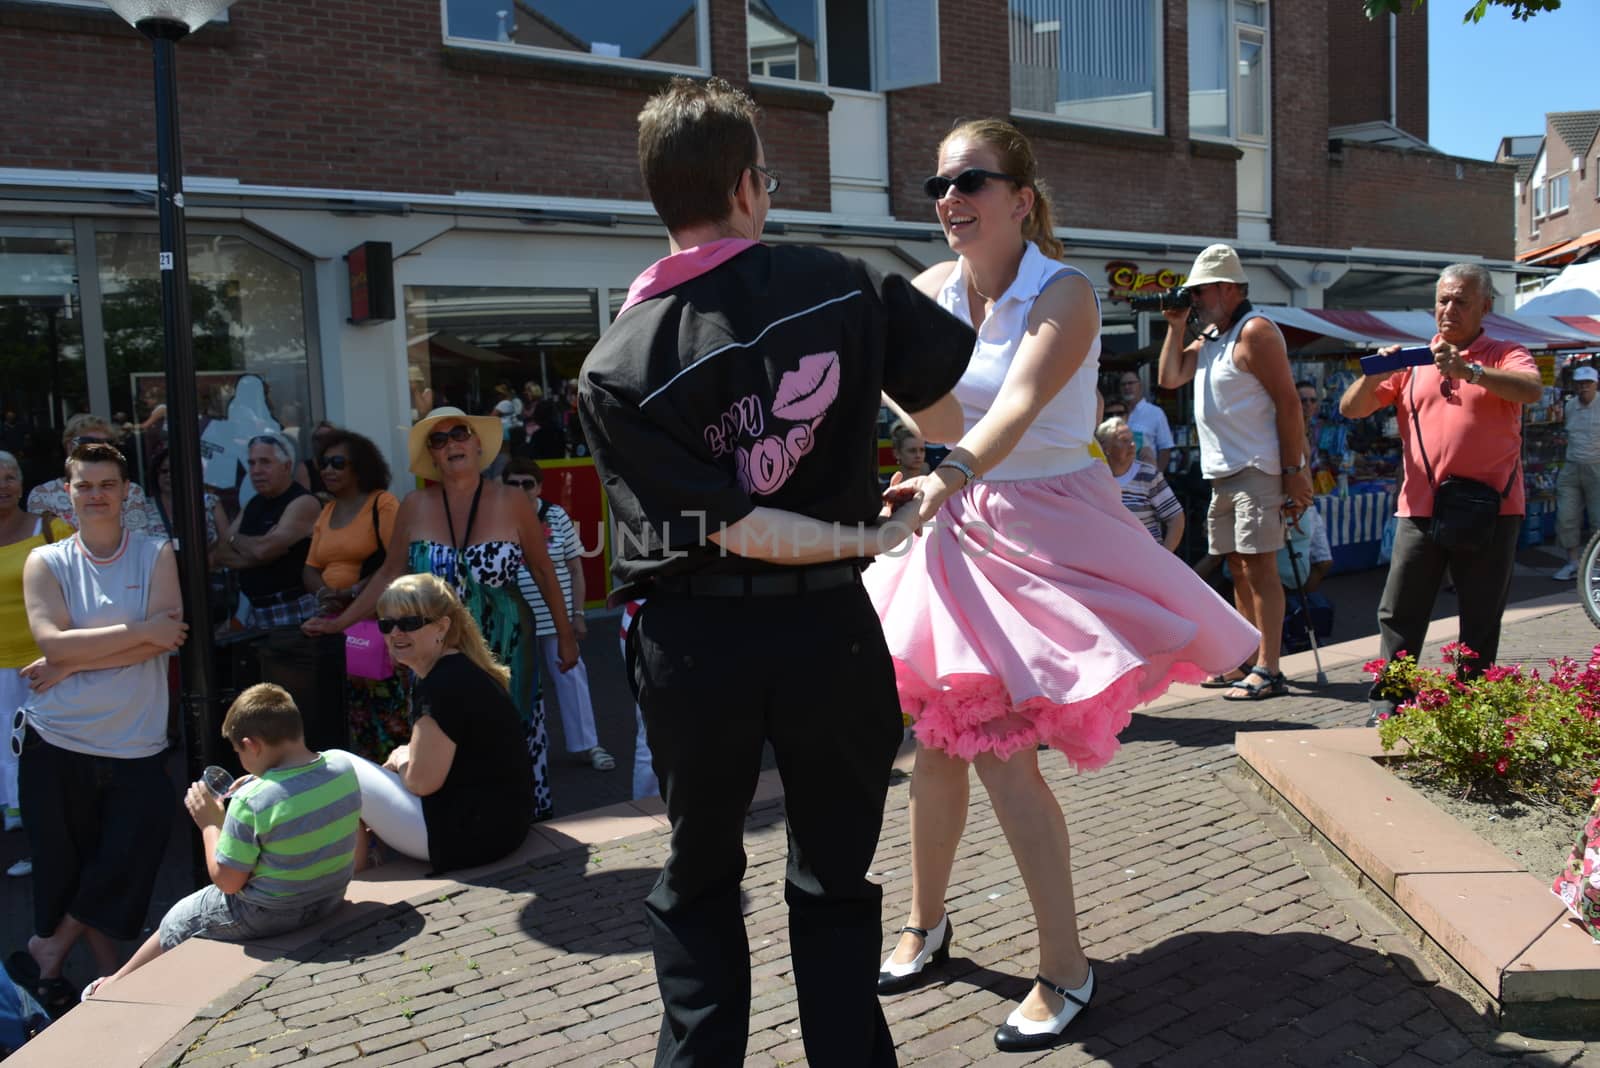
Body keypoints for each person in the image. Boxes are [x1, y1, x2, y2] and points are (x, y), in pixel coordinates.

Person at [578, 76, 974, 1068]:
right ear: (752, 187)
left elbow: (732, 527)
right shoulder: (843, 279)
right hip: (827, 632)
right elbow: (939, 404)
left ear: (659, 199)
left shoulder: (617, 362)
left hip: (694, 644)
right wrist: (922, 492)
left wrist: (882, 514)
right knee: (834, 875)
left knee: (700, 873)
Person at [867, 119, 1258, 1053]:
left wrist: (946, 470)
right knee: (939, 748)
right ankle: (926, 921)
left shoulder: (1066, 289)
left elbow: (1015, 405)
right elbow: (905, 406)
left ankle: (1067, 966)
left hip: (1045, 530)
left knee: (1002, 751)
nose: (950, 200)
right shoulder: (925, 294)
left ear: (1021, 199)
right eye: (938, 186)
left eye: (971, 181)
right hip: (952, 530)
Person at [306, 407, 576, 823]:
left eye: (460, 433)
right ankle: (458, 821)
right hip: (435, 644)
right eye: (439, 439)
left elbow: (543, 570)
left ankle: (522, 818)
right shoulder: (414, 505)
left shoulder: (514, 500)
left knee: (512, 727)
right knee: (441, 728)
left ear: (478, 444)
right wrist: (341, 622)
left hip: (505, 640)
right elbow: (388, 575)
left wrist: (566, 633)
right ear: (432, 455)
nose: (452, 443)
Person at [12, 442, 185, 1018]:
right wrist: (135, 635)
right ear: (68, 493)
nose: (95, 495)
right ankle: (104, 975)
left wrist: (72, 661)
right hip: (57, 738)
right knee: (70, 866)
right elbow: (54, 642)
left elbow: (167, 635)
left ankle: (48, 950)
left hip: (136, 741)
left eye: (106, 484)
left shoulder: (157, 552)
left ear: (126, 491)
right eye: (84, 485)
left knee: (127, 857)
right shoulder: (47, 561)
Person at [1340, 263, 1541, 725]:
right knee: (1400, 612)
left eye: (1461, 301)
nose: (1449, 309)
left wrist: (1471, 370)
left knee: (1481, 615)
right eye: (1443, 300)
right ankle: (1389, 703)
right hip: (1421, 509)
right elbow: (1351, 409)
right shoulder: (1413, 360)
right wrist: (1374, 375)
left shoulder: (1505, 351)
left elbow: (1531, 389)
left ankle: (1473, 704)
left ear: (1486, 306)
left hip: (1491, 510)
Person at [83, 684, 359, 998]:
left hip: (272, 913)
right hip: (330, 895)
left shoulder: (251, 801)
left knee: (179, 917)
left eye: (238, 751)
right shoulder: (341, 765)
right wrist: (262, 781)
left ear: (251, 745)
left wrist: (210, 825)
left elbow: (227, 882)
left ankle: (115, 984)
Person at [1157, 243, 1312, 701]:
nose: (1195, 299)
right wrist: (1174, 325)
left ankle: (1269, 667)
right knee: (1238, 567)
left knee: (1260, 567)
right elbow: (1169, 377)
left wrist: (1294, 470)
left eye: (1200, 291)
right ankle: (1246, 660)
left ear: (1227, 288)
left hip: (1257, 468)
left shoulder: (1255, 332)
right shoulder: (1211, 336)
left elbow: (1288, 404)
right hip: (1223, 471)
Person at [338, 574, 536, 873]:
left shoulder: (442, 684)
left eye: (409, 623)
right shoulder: (457, 668)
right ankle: (363, 866)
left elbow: (421, 782)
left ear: (442, 627)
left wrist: (402, 756)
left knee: (339, 766)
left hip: (469, 836)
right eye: (386, 624)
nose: (395, 633)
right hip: (500, 826)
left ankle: (357, 874)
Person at [213, 434, 340, 750]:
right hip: (262, 620)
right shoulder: (254, 503)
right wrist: (249, 545)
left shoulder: (302, 502)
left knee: (299, 712)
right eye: (252, 463)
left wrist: (241, 542)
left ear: (286, 465)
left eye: (265, 462)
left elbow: (264, 550)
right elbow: (218, 555)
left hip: (296, 621)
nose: (256, 470)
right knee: (274, 711)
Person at [300, 429, 405, 762]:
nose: (328, 470)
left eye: (337, 463)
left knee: (385, 722)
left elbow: (396, 563)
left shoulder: (382, 504)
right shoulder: (326, 511)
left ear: (359, 466)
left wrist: (352, 592)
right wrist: (326, 593)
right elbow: (310, 567)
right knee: (343, 719)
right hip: (335, 625)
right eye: (323, 463)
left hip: (375, 623)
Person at [504, 459, 612, 771]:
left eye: (528, 483)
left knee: (572, 679)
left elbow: (575, 569)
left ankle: (589, 745)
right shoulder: (495, 520)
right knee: (517, 686)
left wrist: (578, 614)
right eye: (514, 483)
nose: (521, 490)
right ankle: (523, 750)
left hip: (557, 618)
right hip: (516, 622)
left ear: (538, 487)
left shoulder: (555, 515)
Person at [0, 453, 72, 857]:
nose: (4, 484)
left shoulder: (49, 528)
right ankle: (24, 826)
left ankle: (46, 833)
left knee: (42, 745)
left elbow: (79, 583)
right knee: (4, 745)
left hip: (45, 658)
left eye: (11, 476)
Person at [25, 415, 163, 535]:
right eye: (88, 443)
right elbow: (45, 546)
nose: (98, 451)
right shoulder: (42, 495)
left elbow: (137, 543)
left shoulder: (130, 491)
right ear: (69, 447)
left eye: (108, 445)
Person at [1095, 417, 1185, 554]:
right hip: (1107, 559)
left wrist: (1166, 556)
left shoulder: (1148, 475)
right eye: (1124, 441)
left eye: (1132, 440)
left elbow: (1176, 517)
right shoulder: (1094, 477)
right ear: (1105, 448)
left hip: (1146, 558)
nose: (1132, 445)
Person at [1554, 365, 1600, 581]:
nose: (1584, 388)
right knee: (1566, 516)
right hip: (1572, 466)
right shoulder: (1570, 406)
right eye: (1580, 384)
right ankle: (1572, 562)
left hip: (1597, 466)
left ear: (1595, 384)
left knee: (1598, 520)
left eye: (1587, 384)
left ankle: (1596, 565)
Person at [147, 447, 229, 565]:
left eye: (175, 470)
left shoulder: (210, 502)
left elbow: (226, 543)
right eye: (164, 471)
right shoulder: (143, 507)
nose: (169, 475)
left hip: (204, 575)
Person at [1118, 370, 1173, 470]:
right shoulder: (1116, 413)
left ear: (1140, 386)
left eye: (1130, 383)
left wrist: (1157, 476)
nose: (1127, 387)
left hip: (1146, 475)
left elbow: (1165, 447)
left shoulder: (1155, 413)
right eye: (1123, 384)